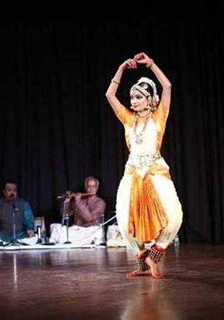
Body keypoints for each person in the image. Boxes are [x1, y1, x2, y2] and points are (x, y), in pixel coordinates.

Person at [105, 52, 183, 279]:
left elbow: (167, 86)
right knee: (124, 220)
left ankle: (156, 253)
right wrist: (121, 68)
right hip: (132, 175)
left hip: (156, 172)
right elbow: (109, 95)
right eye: (132, 97)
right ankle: (144, 264)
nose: (133, 100)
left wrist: (152, 65)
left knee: (174, 216)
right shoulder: (128, 118)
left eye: (138, 96)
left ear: (150, 99)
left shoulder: (159, 117)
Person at [50, 176, 106, 245]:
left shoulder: (100, 203)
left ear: (97, 188)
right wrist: (66, 202)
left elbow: (88, 218)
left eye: (93, 187)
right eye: (89, 186)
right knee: (56, 227)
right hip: (75, 230)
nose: (91, 189)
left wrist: (78, 202)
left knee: (98, 233)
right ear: (86, 187)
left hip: (89, 230)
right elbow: (65, 214)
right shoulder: (80, 200)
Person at [0, 180, 37, 245]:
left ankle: (15, 243)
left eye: (14, 190)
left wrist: (30, 229)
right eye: (9, 190)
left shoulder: (24, 204)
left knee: (34, 239)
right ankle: (6, 243)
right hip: (3, 235)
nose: (12, 193)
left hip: (21, 235)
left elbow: (29, 219)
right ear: (4, 192)